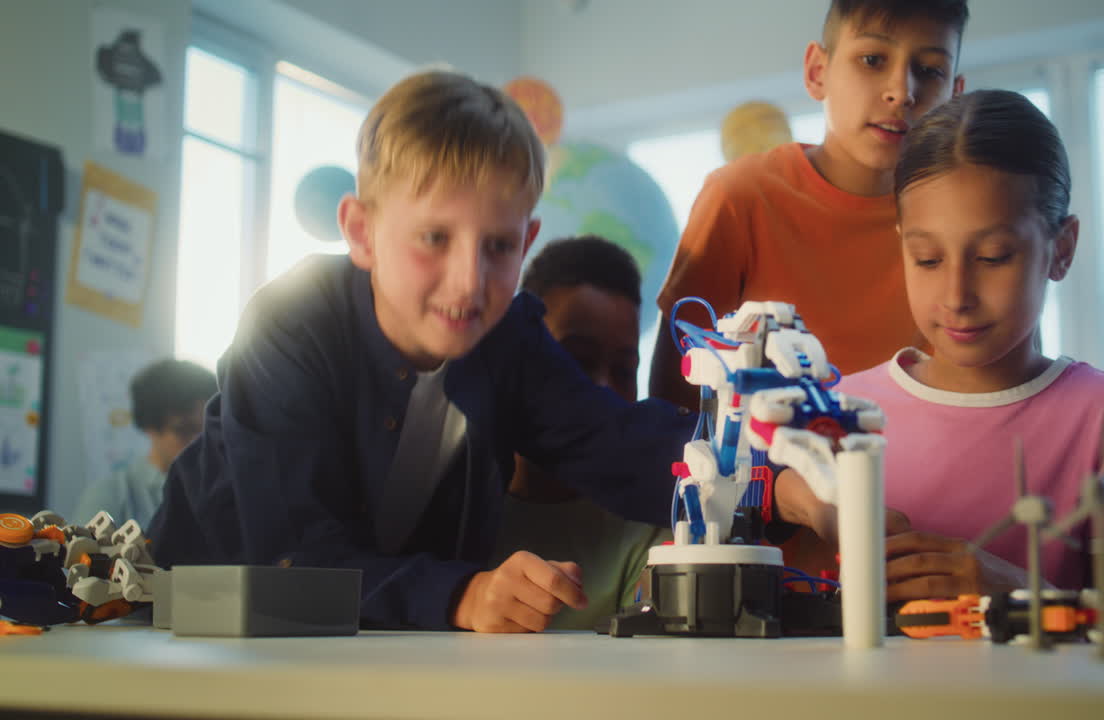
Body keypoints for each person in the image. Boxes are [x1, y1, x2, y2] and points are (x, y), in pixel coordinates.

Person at [149, 70, 839, 633]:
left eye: (499, 246)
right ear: (360, 231)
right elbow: (293, 556)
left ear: (528, 240)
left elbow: (618, 441)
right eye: (434, 238)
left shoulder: (507, 336)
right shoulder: (289, 326)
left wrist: (786, 484)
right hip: (195, 636)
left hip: (371, 647)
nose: (469, 282)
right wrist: (463, 595)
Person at [836, 89, 1104, 618]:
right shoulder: (843, 408)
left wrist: (1022, 596)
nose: (956, 296)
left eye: (994, 257)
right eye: (927, 259)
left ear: (1061, 249)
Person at [650, 0, 969, 412]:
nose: (902, 92)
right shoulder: (739, 198)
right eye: (872, 60)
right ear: (818, 71)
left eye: (929, 70)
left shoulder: (964, 217)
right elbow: (673, 403)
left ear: (955, 95)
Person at [491, 235, 669, 630]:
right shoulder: (459, 499)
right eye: (576, 361)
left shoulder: (650, 529)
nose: (601, 389)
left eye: (623, 370)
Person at [74, 359, 215, 529]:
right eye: (184, 430)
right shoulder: (111, 496)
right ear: (150, 426)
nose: (199, 442)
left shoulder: (223, 490)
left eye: (208, 430)